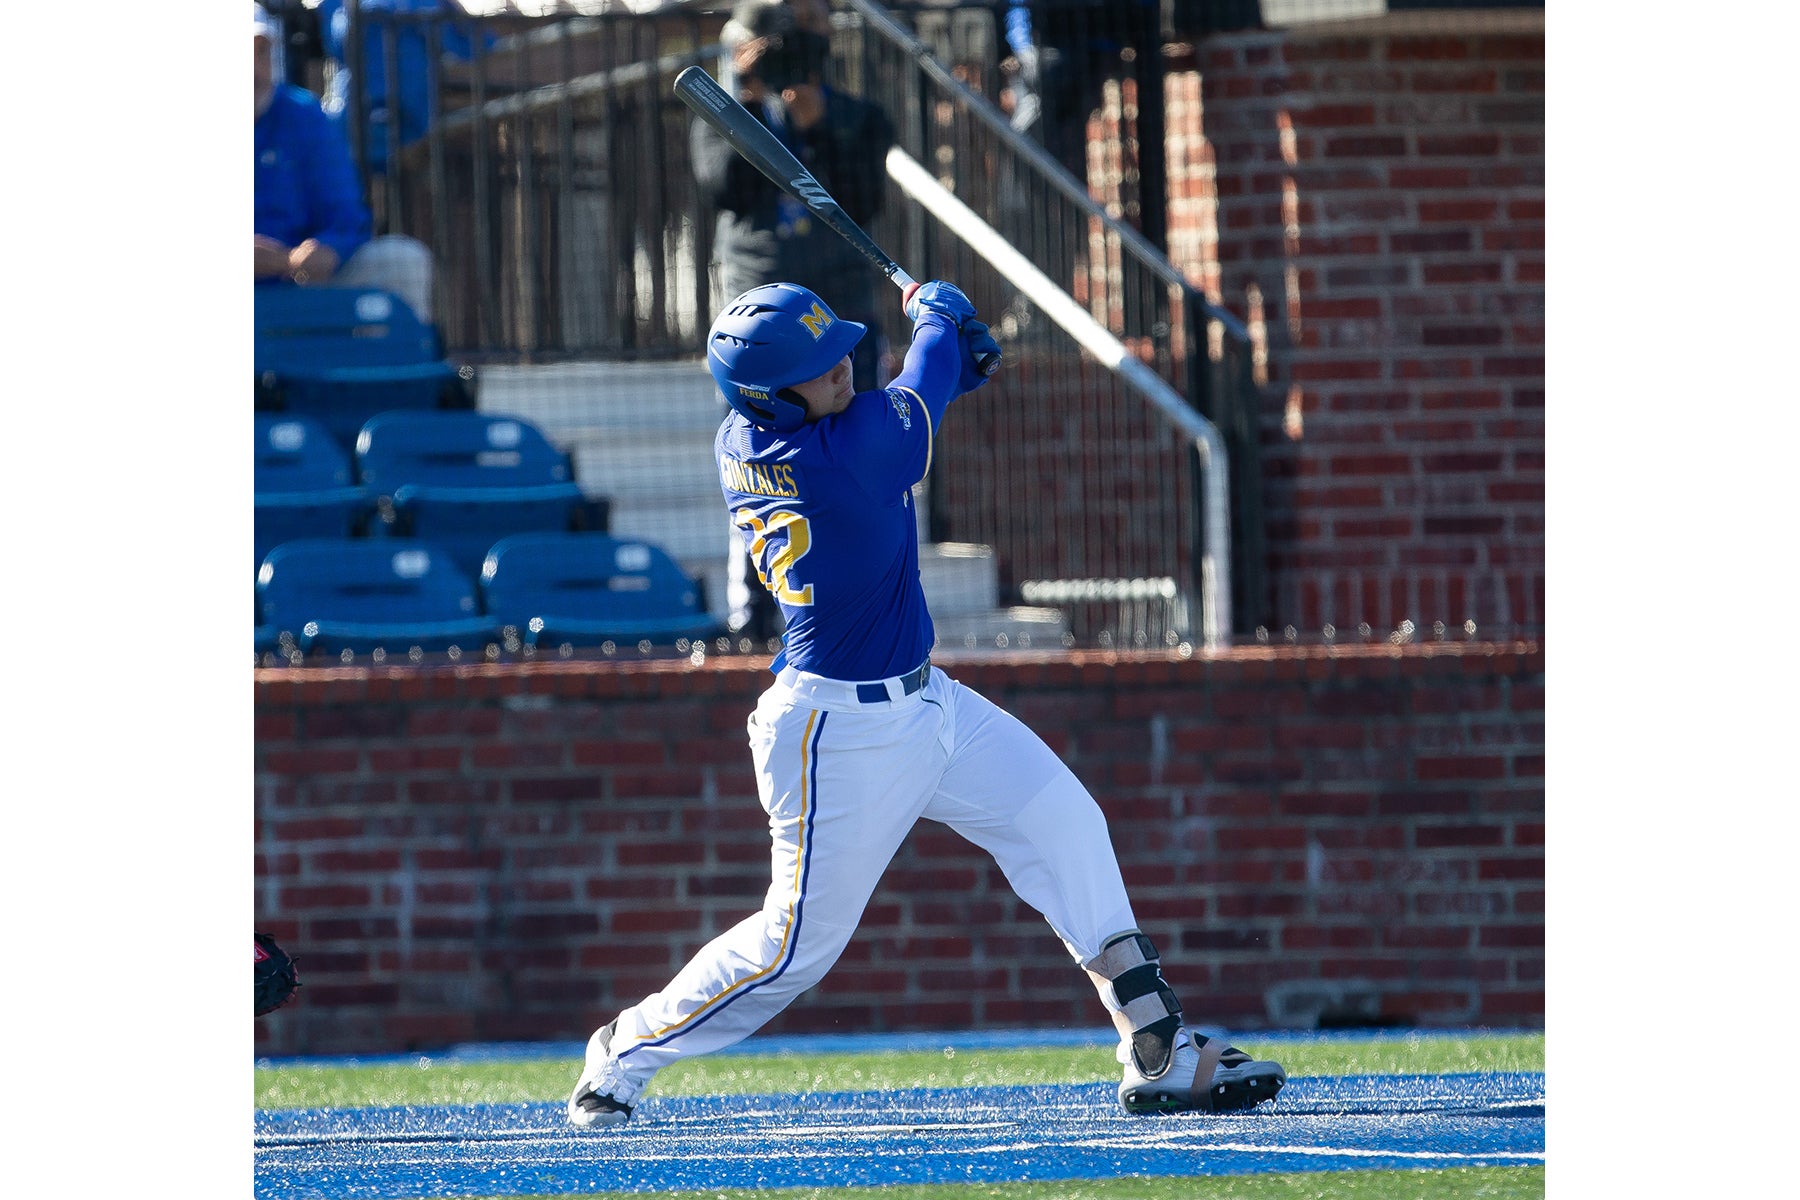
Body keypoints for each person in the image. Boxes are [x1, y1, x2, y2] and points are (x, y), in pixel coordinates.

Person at [565, 279, 1286, 1127]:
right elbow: (919, 382)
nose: (839, 366)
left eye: (837, 350)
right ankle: (621, 1054)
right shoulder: (839, 456)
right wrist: (938, 319)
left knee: (1064, 821)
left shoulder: (768, 433)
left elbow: (916, 398)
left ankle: (1155, 1044)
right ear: (768, 394)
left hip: (927, 701)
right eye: (815, 365)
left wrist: (947, 371)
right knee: (792, 949)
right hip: (838, 732)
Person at [254, 3, 436, 323]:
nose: (252, 68)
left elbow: (347, 215)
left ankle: (399, 371)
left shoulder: (303, 115)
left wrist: (327, 248)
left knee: (403, 259)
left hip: (300, 283)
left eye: (260, 52)